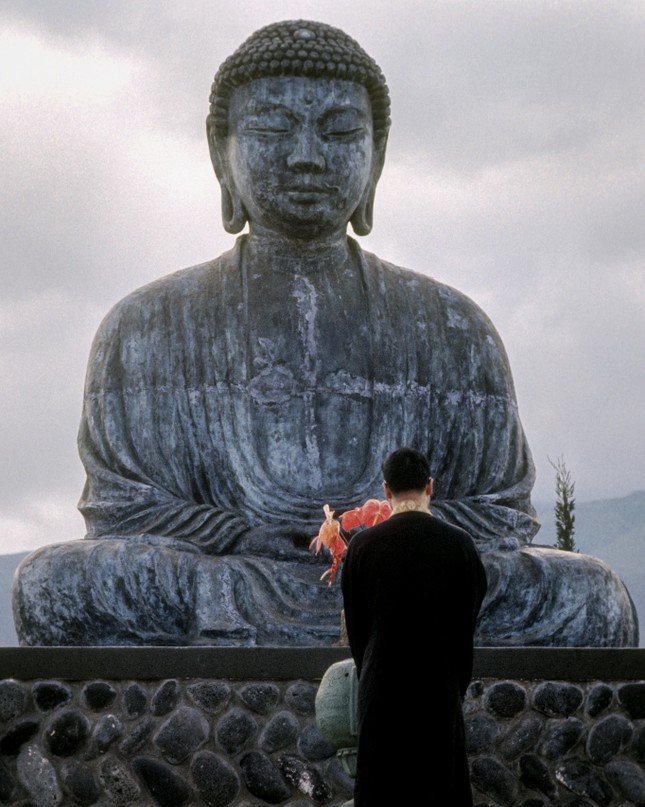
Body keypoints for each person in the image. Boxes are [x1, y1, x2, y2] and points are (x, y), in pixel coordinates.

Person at [13, 20, 638, 648]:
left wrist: (392, 534)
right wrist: (238, 536)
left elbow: (501, 515)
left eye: (338, 132)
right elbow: (123, 512)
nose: (306, 156)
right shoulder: (143, 327)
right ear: (219, 151)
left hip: (404, 582)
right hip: (235, 579)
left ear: (378, 154)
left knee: (589, 595)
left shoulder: (455, 329)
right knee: (56, 584)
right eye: (272, 129)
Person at [341, 448, 486, 807]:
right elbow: (466, 627)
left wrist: (376, 669)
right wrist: (451, 680)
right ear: (431, 486)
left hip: (383, 690)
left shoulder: (363, 547)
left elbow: (359, 633)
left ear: (384, 490)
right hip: (438, 690)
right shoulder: (459, 545)